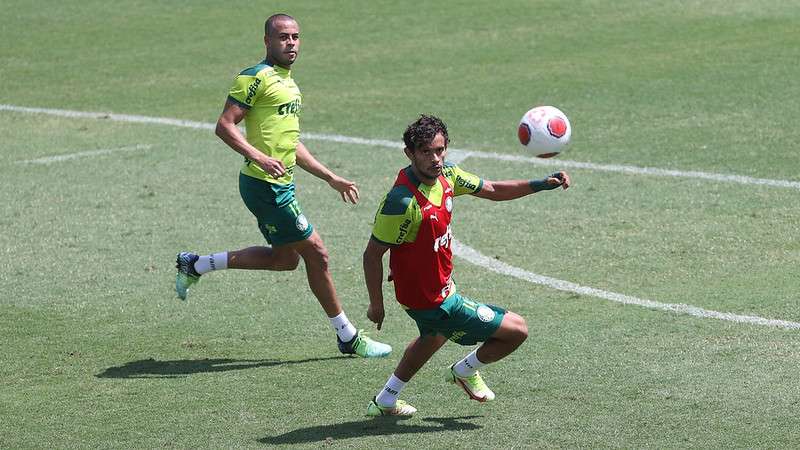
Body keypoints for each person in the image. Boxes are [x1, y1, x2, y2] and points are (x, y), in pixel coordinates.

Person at [175, 13, 391, 359]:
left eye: (295, 37)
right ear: (267, 42)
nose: (290, 43)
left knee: (284, 260)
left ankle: (196, 264)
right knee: (317, 253)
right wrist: (259, 157)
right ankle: (348, 336)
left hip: (280, 185)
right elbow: (224, 126)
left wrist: (329, 176)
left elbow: (291, 144)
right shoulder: (254, 78)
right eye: (282, 37)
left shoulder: (290, 84)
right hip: (265, 187)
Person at [363, 115, 570, 416]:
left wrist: (541, 184)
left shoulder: (448, 175)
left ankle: (385, 400)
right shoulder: (402, 201)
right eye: (425, 151)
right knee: (517, 331)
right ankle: (464, 369)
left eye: (439, 150)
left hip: (432, 288)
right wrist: (376, 305)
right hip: (434, 300)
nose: (434, 159)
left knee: (432, 337)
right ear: (409, 153)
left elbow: (494, 190)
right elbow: (372, 254)